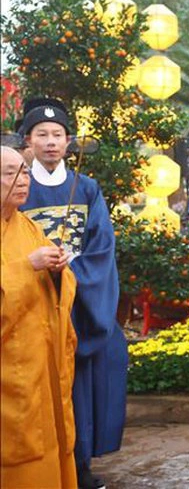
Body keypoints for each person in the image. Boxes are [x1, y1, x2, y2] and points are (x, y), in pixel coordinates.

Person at [18, 98, 127, 489]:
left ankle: (79, 465)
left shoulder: (89, 188)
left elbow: (102, 245)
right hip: (33, 298)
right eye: (41, 135)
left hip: (77, 298)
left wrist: (72, 273)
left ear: (69, 142)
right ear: (27, 141)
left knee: (83, 385)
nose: (50, 143)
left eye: (58, 135)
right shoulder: (17, 186)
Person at [1, 146, 78, 488]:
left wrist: (58, 272)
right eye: (10, 173)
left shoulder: (28, 227)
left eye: (25, 171)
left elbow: (59, 290)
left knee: (51, 449)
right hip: (9, 379)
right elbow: (23, 274)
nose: (22, 180)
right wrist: (26, 268)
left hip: (42, 372)